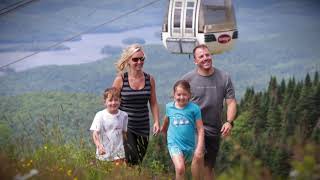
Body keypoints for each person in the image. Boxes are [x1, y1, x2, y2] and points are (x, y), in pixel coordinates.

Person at [182, 44, 237, 180]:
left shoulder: (224, 77)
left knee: (208, 167)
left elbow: (231, 102)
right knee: (198, 154)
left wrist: (229, 122)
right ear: (195, 61)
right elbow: (178, 103)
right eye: (201, 56)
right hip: (193, 126)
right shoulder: (187, 80)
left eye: (207, 55)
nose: (206, 58)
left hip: (214, 128)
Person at [112, 44, 160, 165]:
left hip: (143, 126)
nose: (139, 62)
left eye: (142, 59)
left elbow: (153, 102)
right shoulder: (121, 79)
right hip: (125, 127)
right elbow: (112, 102)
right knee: (130, 159)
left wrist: (156, 121)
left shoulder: (150, 79)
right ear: (128, 60)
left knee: (138, 162)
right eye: (135, 59)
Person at [161, 80, 204, 180]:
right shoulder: (169, 107)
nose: (181, 97)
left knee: (191, 172)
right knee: (180, 168)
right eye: (178, 94)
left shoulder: (194, 109)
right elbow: (166, 121)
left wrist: (199, 147)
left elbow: (200, 129)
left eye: (184, 94)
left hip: (190, 146)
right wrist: (163, 131)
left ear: (189, 95)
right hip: (174, 144)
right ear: (174, 95)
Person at [90, 87, 128, 163]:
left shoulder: (124, 115)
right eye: (110, 100)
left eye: (116, 100)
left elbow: (124, 133)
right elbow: (95, 133)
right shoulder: (100, 115)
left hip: (119, 154)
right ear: (105, 102)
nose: (113, 103)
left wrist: (126, 149)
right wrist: (99, 146)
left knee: (117, 174)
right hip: (103, 153)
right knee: (104, 174)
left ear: (120, 101)